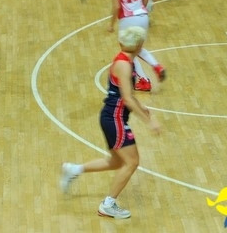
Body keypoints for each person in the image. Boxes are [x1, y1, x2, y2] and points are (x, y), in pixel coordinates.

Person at [59, 25, 162, 219]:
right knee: (132, 162)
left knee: (117, 162)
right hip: (115, 119)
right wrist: (149, 121)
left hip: (112, 117)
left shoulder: (125, 60)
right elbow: (127, 98)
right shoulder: (124, 65)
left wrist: (142, 106)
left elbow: (128, 94)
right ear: (139, 44)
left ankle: (74, 169)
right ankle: (108, 204)